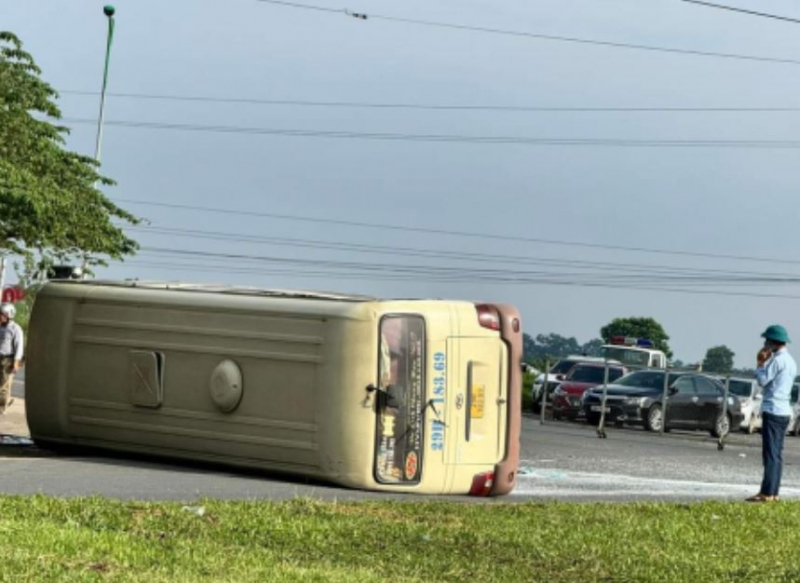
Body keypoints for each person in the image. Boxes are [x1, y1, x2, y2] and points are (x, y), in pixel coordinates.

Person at [747, 325, 796, 502]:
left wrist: (760, 363)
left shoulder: (777, 361)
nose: (765, 344)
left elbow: (762, 380)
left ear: (773, 342)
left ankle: (767, 493)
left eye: (767, 341)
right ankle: (773, 492)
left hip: (773, 410)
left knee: (770, 454)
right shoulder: (791, 361)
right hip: (784, 411)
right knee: (776, 454)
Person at [0, 303, 23, 414]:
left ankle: (2, 407)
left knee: (4, 385)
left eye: (1, 314)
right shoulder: (1, 327)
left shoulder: (15, 328)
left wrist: (16, 361)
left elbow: (19, 346)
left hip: (7, 360)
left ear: (7, 315)